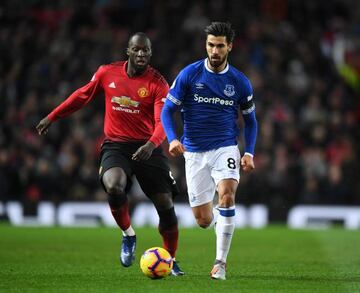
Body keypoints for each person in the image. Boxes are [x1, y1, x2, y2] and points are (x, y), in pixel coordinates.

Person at [36, 32, 184, 276]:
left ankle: (171, 259)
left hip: (148, 146)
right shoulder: (107, 72)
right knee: (114, 186)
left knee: (166, 206)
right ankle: (128, 235)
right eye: (136, 49)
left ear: (150, 53)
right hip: (116, 145)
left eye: (145, 51)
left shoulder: (158, 83)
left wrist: (151, 145)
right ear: (128, 50)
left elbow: (162, 121)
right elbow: (81, 95)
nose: (141, 54)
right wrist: (53, 116)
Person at [161, 22, 257, 280]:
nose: (215, 51)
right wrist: (172, 139)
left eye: (220, 46)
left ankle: (220, 264)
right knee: (203, 220)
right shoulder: (189, 75)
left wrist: (249, 153)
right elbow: (167, 110)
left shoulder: (239, 82)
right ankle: (222, 221)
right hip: (193, 152)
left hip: (225, 147)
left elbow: (250, 121)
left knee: (227, 196)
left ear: (230, 47)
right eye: (211, 45)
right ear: (206, 45)